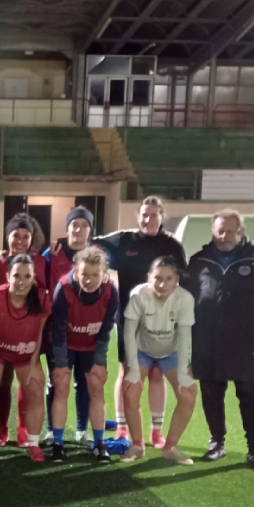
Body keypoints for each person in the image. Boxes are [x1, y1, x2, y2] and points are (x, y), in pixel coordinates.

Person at [185, 209, 254, 470]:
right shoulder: (198, 260)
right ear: (213, 231)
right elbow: (188, 297)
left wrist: (241, 319)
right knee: (212, 395)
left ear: (241, 232)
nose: (224, 236)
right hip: (207, 342)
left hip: (245, 344)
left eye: (229, 231)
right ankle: (217, 442)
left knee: (250, 396)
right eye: (219, 230)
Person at [94, 196, 187, 447]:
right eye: (145, 214)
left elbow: (185, 279)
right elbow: (93, 243)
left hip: (162, 321)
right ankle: (122, 428)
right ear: (138, 217)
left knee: (156, 372)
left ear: (162, 217)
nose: (149, 219)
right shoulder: (124, 240)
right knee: (127, 372)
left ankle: (156, 431)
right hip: (129, 319)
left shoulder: (172, 245)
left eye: (154, 215)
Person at [119, 256, 197, 465]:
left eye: (169, 279)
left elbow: (184, 337)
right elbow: (129, 333)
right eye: (158, 278)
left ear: (177, 280)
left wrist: (183, 373)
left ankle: (170, 447)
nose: (162, 284)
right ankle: (137, 446)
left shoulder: (185, 299)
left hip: (171, 353)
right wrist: (133, 369)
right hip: (142, 351)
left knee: (188, 395)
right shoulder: (138, 295)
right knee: (130, 392)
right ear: (149, 278)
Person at [0, 254, 50, 464]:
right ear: (8, 276)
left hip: (26, 351)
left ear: (33, 278)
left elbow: (39, 333)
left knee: (36, 391)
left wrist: (35, 364)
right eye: (17, 275)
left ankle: (34, 445)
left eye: (27, 276)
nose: (21, 281)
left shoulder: (43, 298)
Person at [48, 247, 117, 463]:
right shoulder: (64, 288)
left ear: (104, 274)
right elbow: (58, 330)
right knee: (61, 387)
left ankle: (99, 444)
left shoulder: (110, 291)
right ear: (76, 272)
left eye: (95, 274)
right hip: (66, 345)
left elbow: (106, 330)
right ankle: (57, 444)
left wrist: (99, 362)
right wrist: (61, 364)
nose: (89, 280)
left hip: (91, 346)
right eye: (84, 274)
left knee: (96, 388)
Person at [0, 213, 48, 447]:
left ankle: (23, 430)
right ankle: (2, 430)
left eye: (26, 236)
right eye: (16, 235)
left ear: (32, 239)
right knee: (2, 383)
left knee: (28, 382)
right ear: (8, 237)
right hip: (3, 332)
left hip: (29, 331)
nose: (20, 241)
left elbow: (44, 292)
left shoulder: (41, 261)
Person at [43, 206, 94, 444]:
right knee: (56, 381)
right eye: (75, 225)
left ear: (90, 230)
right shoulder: (53, 252)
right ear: (67, 228)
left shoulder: (95, 255)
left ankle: (82, 430)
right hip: (58, 331)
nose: (79, 229)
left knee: (84, 382)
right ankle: (52, 430)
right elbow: (34, 268)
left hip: (87, 331)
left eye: (84, 225)